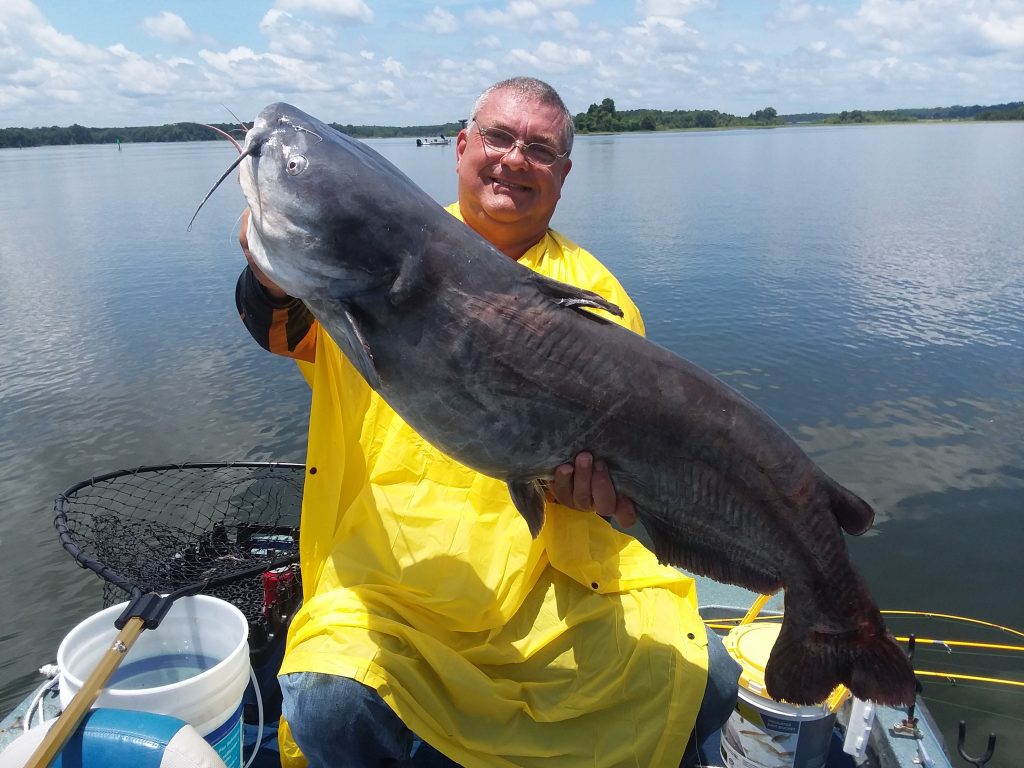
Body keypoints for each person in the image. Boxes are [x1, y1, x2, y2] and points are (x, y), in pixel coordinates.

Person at [235, 76, 739, 768]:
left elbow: (623, 469)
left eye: (539, 149)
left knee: (705, 677)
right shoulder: (374, 237)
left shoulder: (597, 298)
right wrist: (268, 274)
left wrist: (591, 493)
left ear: (563, 176)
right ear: (462, 146)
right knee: (324, 702)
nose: (513, 159)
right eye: (498, 138)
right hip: (387, 580)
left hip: (547, 581)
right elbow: (278, 325)